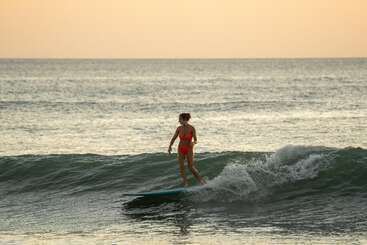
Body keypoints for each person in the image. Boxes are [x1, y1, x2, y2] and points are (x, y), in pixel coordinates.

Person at [168, 113, 206, 186]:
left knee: (191, 167)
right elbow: (174, 138)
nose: (179, 121)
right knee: (181, 167)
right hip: (180, 148)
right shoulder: (179, 128)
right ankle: (185, 183)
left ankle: (201, 181)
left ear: (185, 119)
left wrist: (193, 143)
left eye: (180, 119)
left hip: (189, 149)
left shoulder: (192, 128)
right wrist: (170, 146)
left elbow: (195, 140)